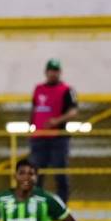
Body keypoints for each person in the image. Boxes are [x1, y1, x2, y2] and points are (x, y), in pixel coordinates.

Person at [29, 59, 78, 203]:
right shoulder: (38, 89)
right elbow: (34, 109)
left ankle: (62, 203)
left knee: (60, 171)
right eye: (50, 71)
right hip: (39, 137)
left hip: (58, 137)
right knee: (36, 172)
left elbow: (73, 111)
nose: (53, 74)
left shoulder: (67, 90)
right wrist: (31, 127)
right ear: (46, 72)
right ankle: (35, 202)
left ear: (59, 73)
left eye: (55, 71)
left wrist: (56, 121)